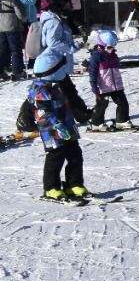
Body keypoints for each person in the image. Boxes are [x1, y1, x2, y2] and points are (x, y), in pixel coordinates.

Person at [29, 50, 89, 203]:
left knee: (75, 154)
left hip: (67, 124)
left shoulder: (55, 85)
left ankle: (74, 184)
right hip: (52, 130)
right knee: (55, 157)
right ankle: (51, 187)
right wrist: (57, 124)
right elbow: (43, 112)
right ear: (51, 71)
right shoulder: (39, 90)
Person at [38, 0, 89, 124]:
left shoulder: (57, 19)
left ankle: (82, 114)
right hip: (51, 63)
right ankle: (82, 114)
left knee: (65, 90)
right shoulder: (53, 21)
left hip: (55, 62)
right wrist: (71, 48)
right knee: (61, 90)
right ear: (59, 6)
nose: (69, 9)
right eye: (67, 6)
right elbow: (52, 42)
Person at [86, 29, 135, 131]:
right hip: (104, 86)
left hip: (116, 85)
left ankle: (122, 121)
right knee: (102, 104)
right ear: (102, 46)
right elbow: (92, 72)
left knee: (123, 102)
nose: (111, 49)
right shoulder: (96, 56)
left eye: (113, 47)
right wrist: (94, 86)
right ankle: (96, 123)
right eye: (109, 47)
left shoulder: (113, 55)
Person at [0, 0, 23, 81]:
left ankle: (2, 70)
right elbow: (20, 13)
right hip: (12, 27)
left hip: (0, 28)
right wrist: (24, 20)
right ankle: (17, 72)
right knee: (15, 50)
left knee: (2, 49)